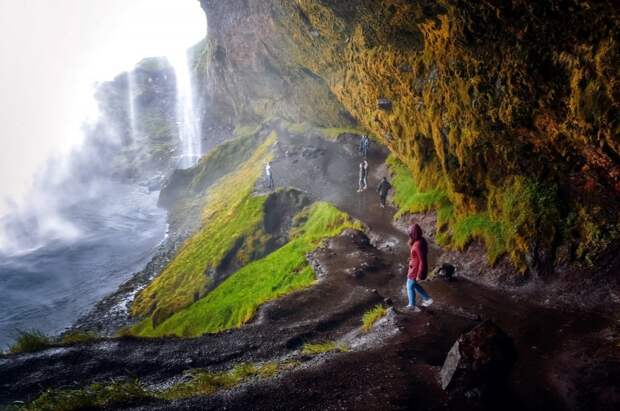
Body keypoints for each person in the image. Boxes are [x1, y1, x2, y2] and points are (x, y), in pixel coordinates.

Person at [405, 223, 433, 311]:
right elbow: (418, 256)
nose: (409, 235)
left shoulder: (418, 244)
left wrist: (420, 274)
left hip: (415, 270)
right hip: (413, 267)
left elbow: (422, 260)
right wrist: (412, 258)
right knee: (414, 284)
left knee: (409, 285)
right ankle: (427, 299)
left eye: (410, 233)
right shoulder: (421, 240)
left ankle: (411, 306)